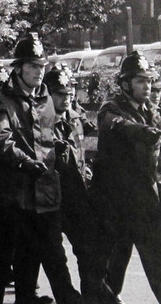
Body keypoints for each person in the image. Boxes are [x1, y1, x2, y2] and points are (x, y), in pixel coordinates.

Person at [0, 34, 80, 304]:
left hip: (44, 195)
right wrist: (24, 161)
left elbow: (46, 136)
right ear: (19, 68)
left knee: (46, 259)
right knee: (0, 265)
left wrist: (58, 148)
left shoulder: (46, 99)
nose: (39, 71)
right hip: (9, 197)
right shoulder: (1, 101)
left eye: (42, 66)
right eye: (33, 66)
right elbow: (2, 139)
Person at [93, 51, 161, 304]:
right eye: (140, 81)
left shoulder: (151, 110)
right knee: (112, 265)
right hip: (115, 202)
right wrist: (145, 132)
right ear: (126, 84)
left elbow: (155, 143)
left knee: (156, 264)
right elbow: (118, 125)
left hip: (144, 200)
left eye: (149, 81)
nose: (147, 86)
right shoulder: (112, 108)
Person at [47, 65, 112, 304]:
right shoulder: (38, 120)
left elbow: (80, 154)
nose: (66, 99)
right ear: (48, 94)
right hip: (50, 196)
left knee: (88, 250)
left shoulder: (75, 118)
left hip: (76, 194)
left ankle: (93, 296)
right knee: (50, 255)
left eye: (69, 93)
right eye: (60, 94)